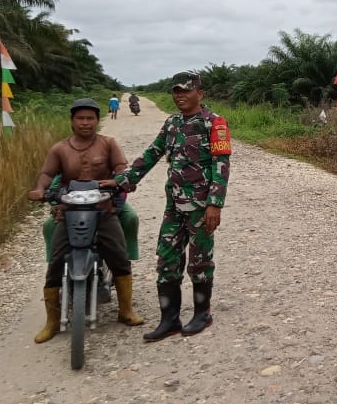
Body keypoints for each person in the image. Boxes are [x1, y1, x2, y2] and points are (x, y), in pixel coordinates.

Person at [109, 71, 232, 342]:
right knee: (167, 260)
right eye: (176, 91)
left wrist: (215, 204)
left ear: (199, 94)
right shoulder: (172, 123)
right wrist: (125, 180)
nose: (180, 96)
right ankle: (169, 319)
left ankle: (203, 314)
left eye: (186, 91)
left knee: (200, 261)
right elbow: (153, 153)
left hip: (201, 207)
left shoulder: (214, 124)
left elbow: (221, 167)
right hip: (174, 206)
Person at [27, 98, 143, 344]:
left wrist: (119, 180)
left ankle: (126, 310)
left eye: (90, 118)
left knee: (119, 257)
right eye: (80, 118)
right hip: (70, 210)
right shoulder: (60, 148)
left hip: (103, 209)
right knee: (56, 262)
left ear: (97, 120)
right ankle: (52, 321)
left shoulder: (108, 143)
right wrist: (39, 189)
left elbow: (122, 167)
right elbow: (47, 174)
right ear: (72, 121)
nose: (85, 123)